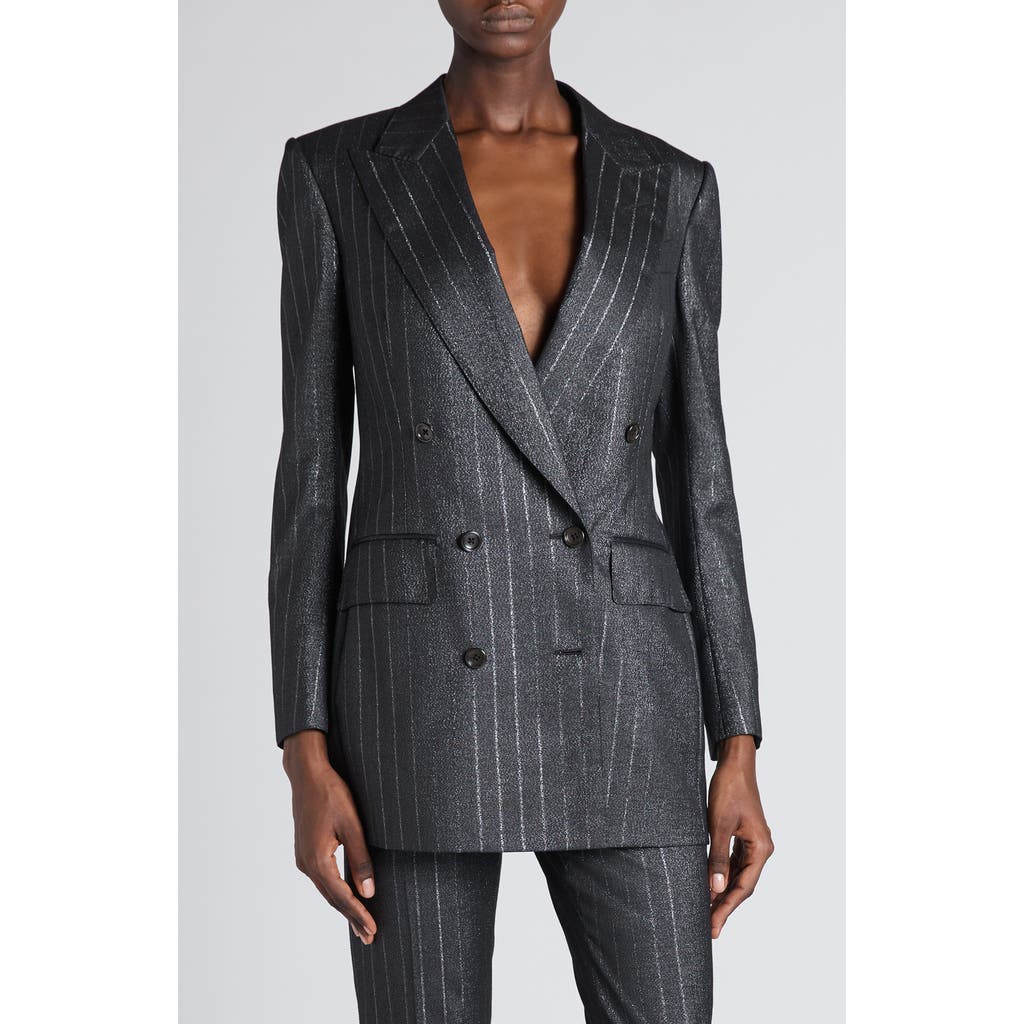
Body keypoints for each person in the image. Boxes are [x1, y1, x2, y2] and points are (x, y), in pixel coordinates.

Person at [269, 1, 773, 1020]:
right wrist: (303, 745)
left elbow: (703, 482)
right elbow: (312, 478)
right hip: (418, 689)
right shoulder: (340, 174)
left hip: (628, 685)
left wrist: (738, 740)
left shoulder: (670, 188)